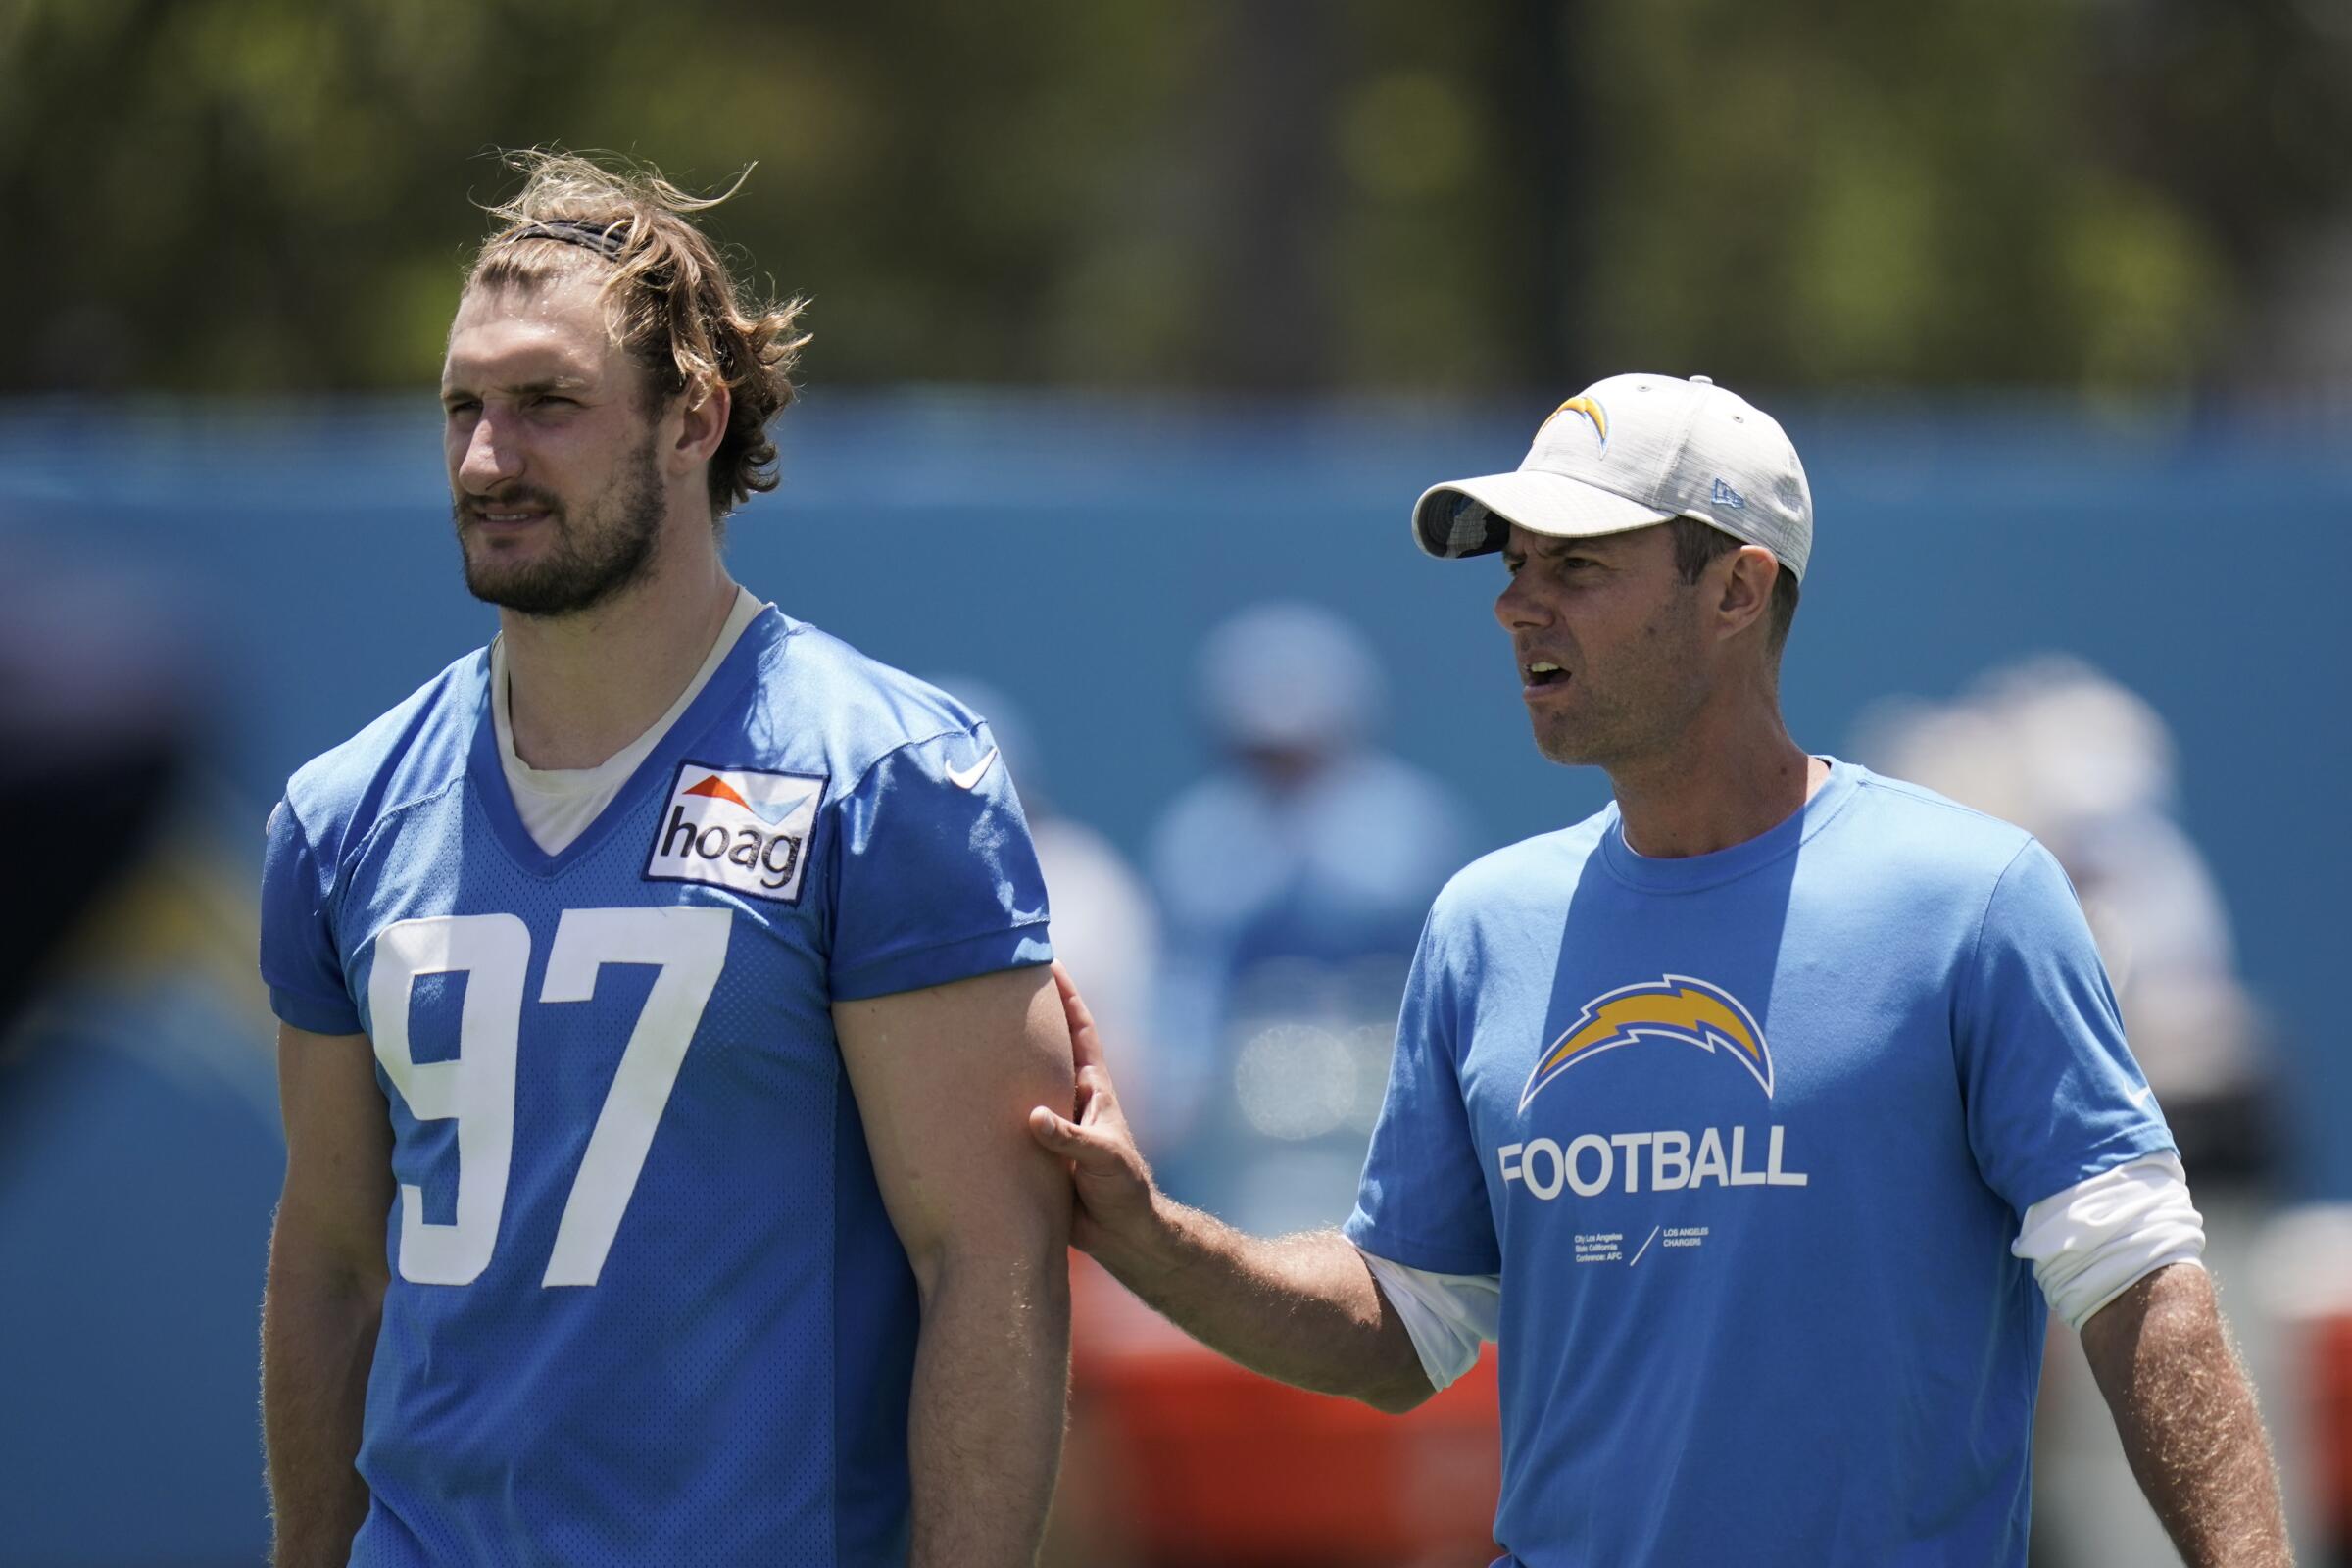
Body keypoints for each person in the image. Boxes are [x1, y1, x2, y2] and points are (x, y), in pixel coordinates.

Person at [1030, 372, 2293, 1566]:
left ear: (1739, 589)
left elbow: (2139, 1291)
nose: (1520, 603)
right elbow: (1404, 1327)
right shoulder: (1484, 924)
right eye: (1518, 567)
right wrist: (1156, 1238)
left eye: (1578, 566)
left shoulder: (1972, 901)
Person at [258, 153, 1073, 1567]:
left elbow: (988, 1262)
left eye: (547, 408)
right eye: (463, 408)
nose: (485, 460)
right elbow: (333, 1263)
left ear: (693, 417)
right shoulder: (344, 813)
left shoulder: (884, 778)